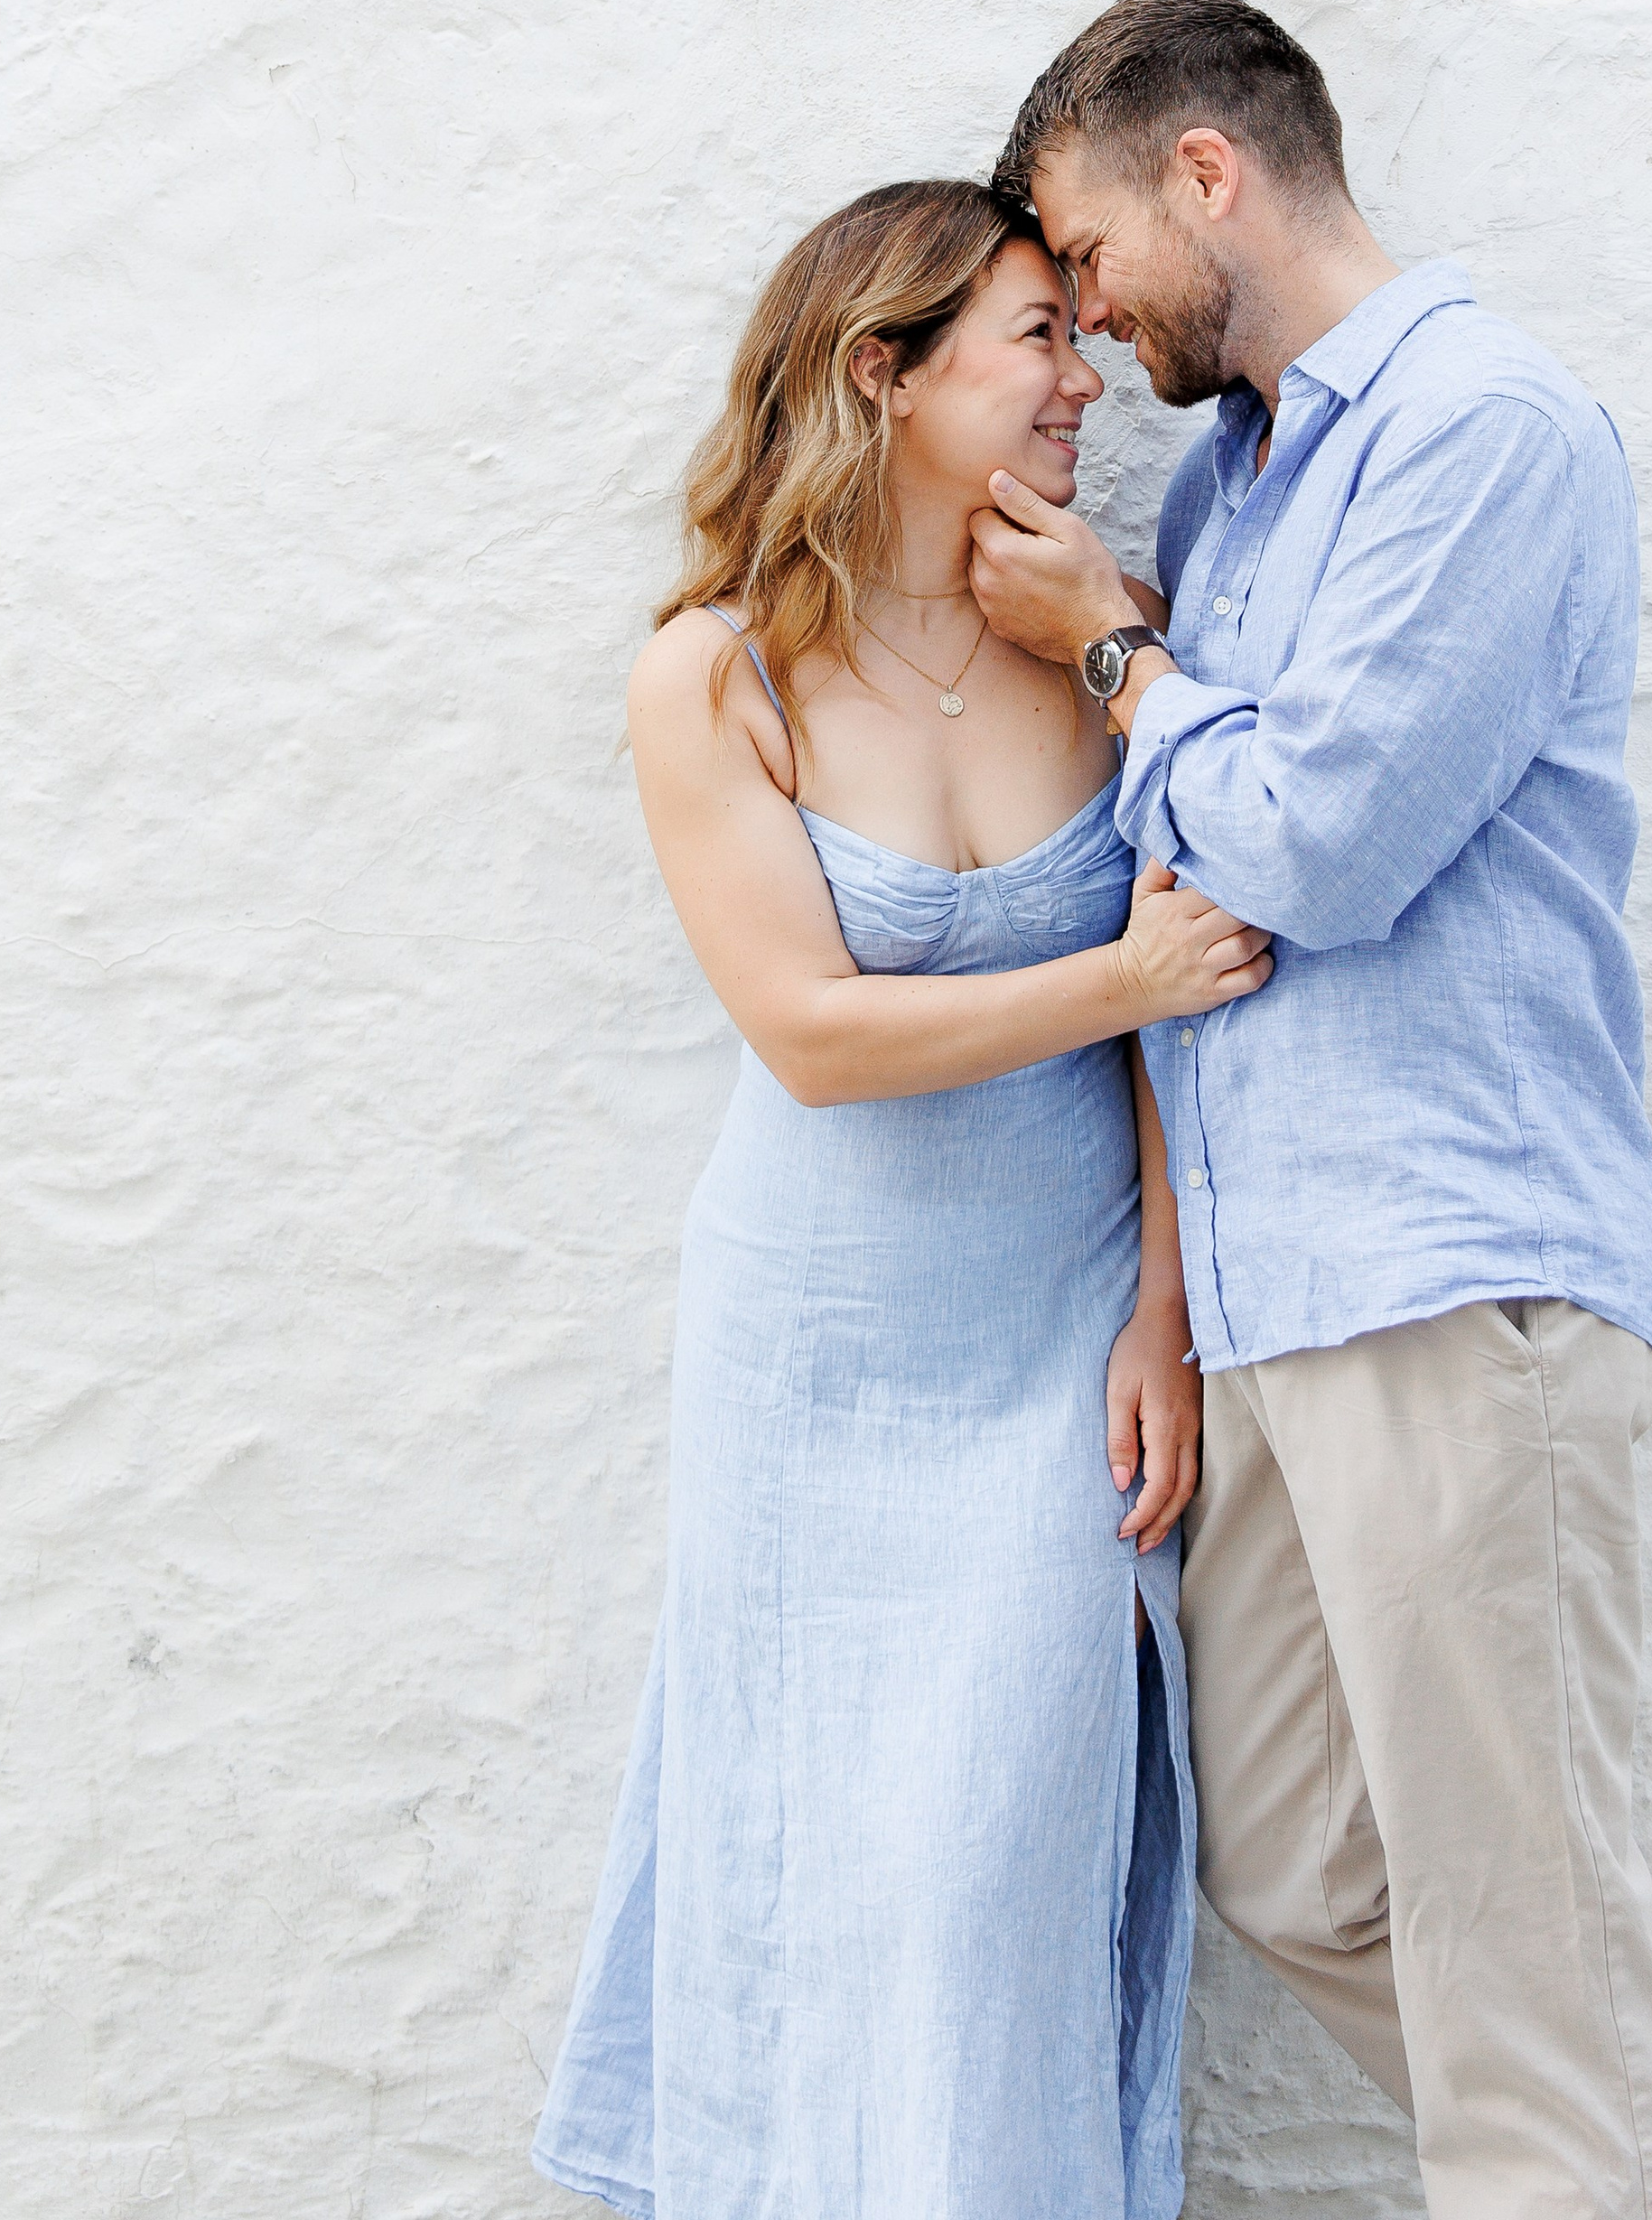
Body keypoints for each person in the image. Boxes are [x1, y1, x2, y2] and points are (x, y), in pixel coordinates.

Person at [966, 0, 1652, 2220]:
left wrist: (1114, 651)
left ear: (1207, 173)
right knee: (1303, 1869)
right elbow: (1195, 871)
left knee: (1516, 1979)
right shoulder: (1239, 477)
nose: (1077, 309)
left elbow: (1318, 844)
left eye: (1081, 250)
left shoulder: (1478, 427)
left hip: (1452, 1271)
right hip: (1280, 1297)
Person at [532, 175, 1271, 2220]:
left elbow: (1178, 1035)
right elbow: (812, 1030)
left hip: (1059, 1334)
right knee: (819, 1878)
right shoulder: (718, 672)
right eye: (1033, 335)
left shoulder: (1093, 626)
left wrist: (1164, 1312)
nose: (1078, 374)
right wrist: (1116, 977)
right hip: (815, 1352)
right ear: (885, 369)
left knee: (988, 1878)